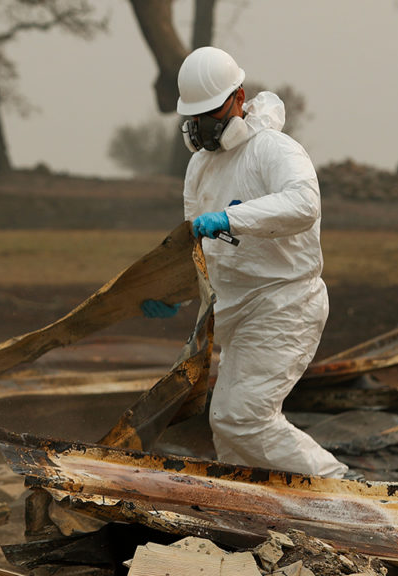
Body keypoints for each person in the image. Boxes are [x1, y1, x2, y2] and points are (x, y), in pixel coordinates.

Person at [141, 46, 350, 479]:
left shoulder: (273, 149)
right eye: (194, 117)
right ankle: (259, 512)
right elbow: (201, 249)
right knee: (229, 428)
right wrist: (178, 296)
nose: (202, 127)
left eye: (210, 113)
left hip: (284, 304)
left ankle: (342, 491)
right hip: (236, 315)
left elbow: (303, 204)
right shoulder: (200, 167)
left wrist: (231, 217)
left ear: (239, 98)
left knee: (244, 419)